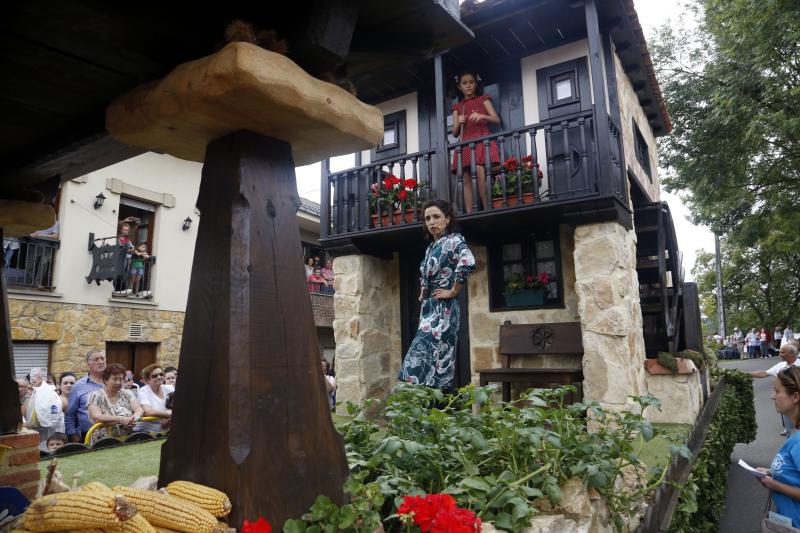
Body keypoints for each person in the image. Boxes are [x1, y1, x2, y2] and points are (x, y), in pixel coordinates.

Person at [398, 200, 476, 389]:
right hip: (429, 308)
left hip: (445, 310)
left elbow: (467, 261)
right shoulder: (430, 248)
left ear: (447, 219)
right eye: (427, 218)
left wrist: (453, 291)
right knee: (430, 361)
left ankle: (433, 406)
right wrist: (423, 290)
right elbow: (427, 274)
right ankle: (431, 409)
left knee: (431, 359)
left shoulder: (454, 240)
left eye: (436, 217)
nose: (431, 222)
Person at [451, 70, 500, 213]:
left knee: (479, 170)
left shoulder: (483, 99)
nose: (468, 86)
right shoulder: (458, 107)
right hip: (465, 143)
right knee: (466, 176)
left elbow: (496, 119)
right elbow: (454, 133)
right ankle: (469, 211)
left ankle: (486, 207)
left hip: (481, 139)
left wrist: (482, 116)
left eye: (471, 82)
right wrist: (458, 122)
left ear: (476, 84)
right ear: (460, 87)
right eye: (464, 83)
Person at [757, 366, 800, 525]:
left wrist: (774, 484)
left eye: (777, 391)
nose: (772, 396)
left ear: (795, 397)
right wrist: (770, 472)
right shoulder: (795, 431)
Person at [86, 363, 143, 446]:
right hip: (103, 442)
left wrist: (134, 418)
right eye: (115, 379)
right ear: (105, 380)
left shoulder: (127, 393)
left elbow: (139, 409)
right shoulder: (95, 396)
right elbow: (97, 416)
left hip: (127, 440)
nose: (118, 382)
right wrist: (121, 419)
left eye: (121, 379)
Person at [65, 349, 106, 443]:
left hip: (112, 431)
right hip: (88, 435)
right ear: (88, 364)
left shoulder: (112, 383)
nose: (100, 362)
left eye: (102, 359)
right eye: (96, 359)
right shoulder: (78, 386)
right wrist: (74, 437)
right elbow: (69, 415)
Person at [134, 364, 174, 434]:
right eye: (154, 376)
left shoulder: (169, 388)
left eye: (161, 374)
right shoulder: (143, 391)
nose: (159, 377)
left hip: (167, 430)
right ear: (148, 380)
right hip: (147, 433)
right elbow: (148, 411)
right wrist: (169, 414)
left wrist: (169, 418)